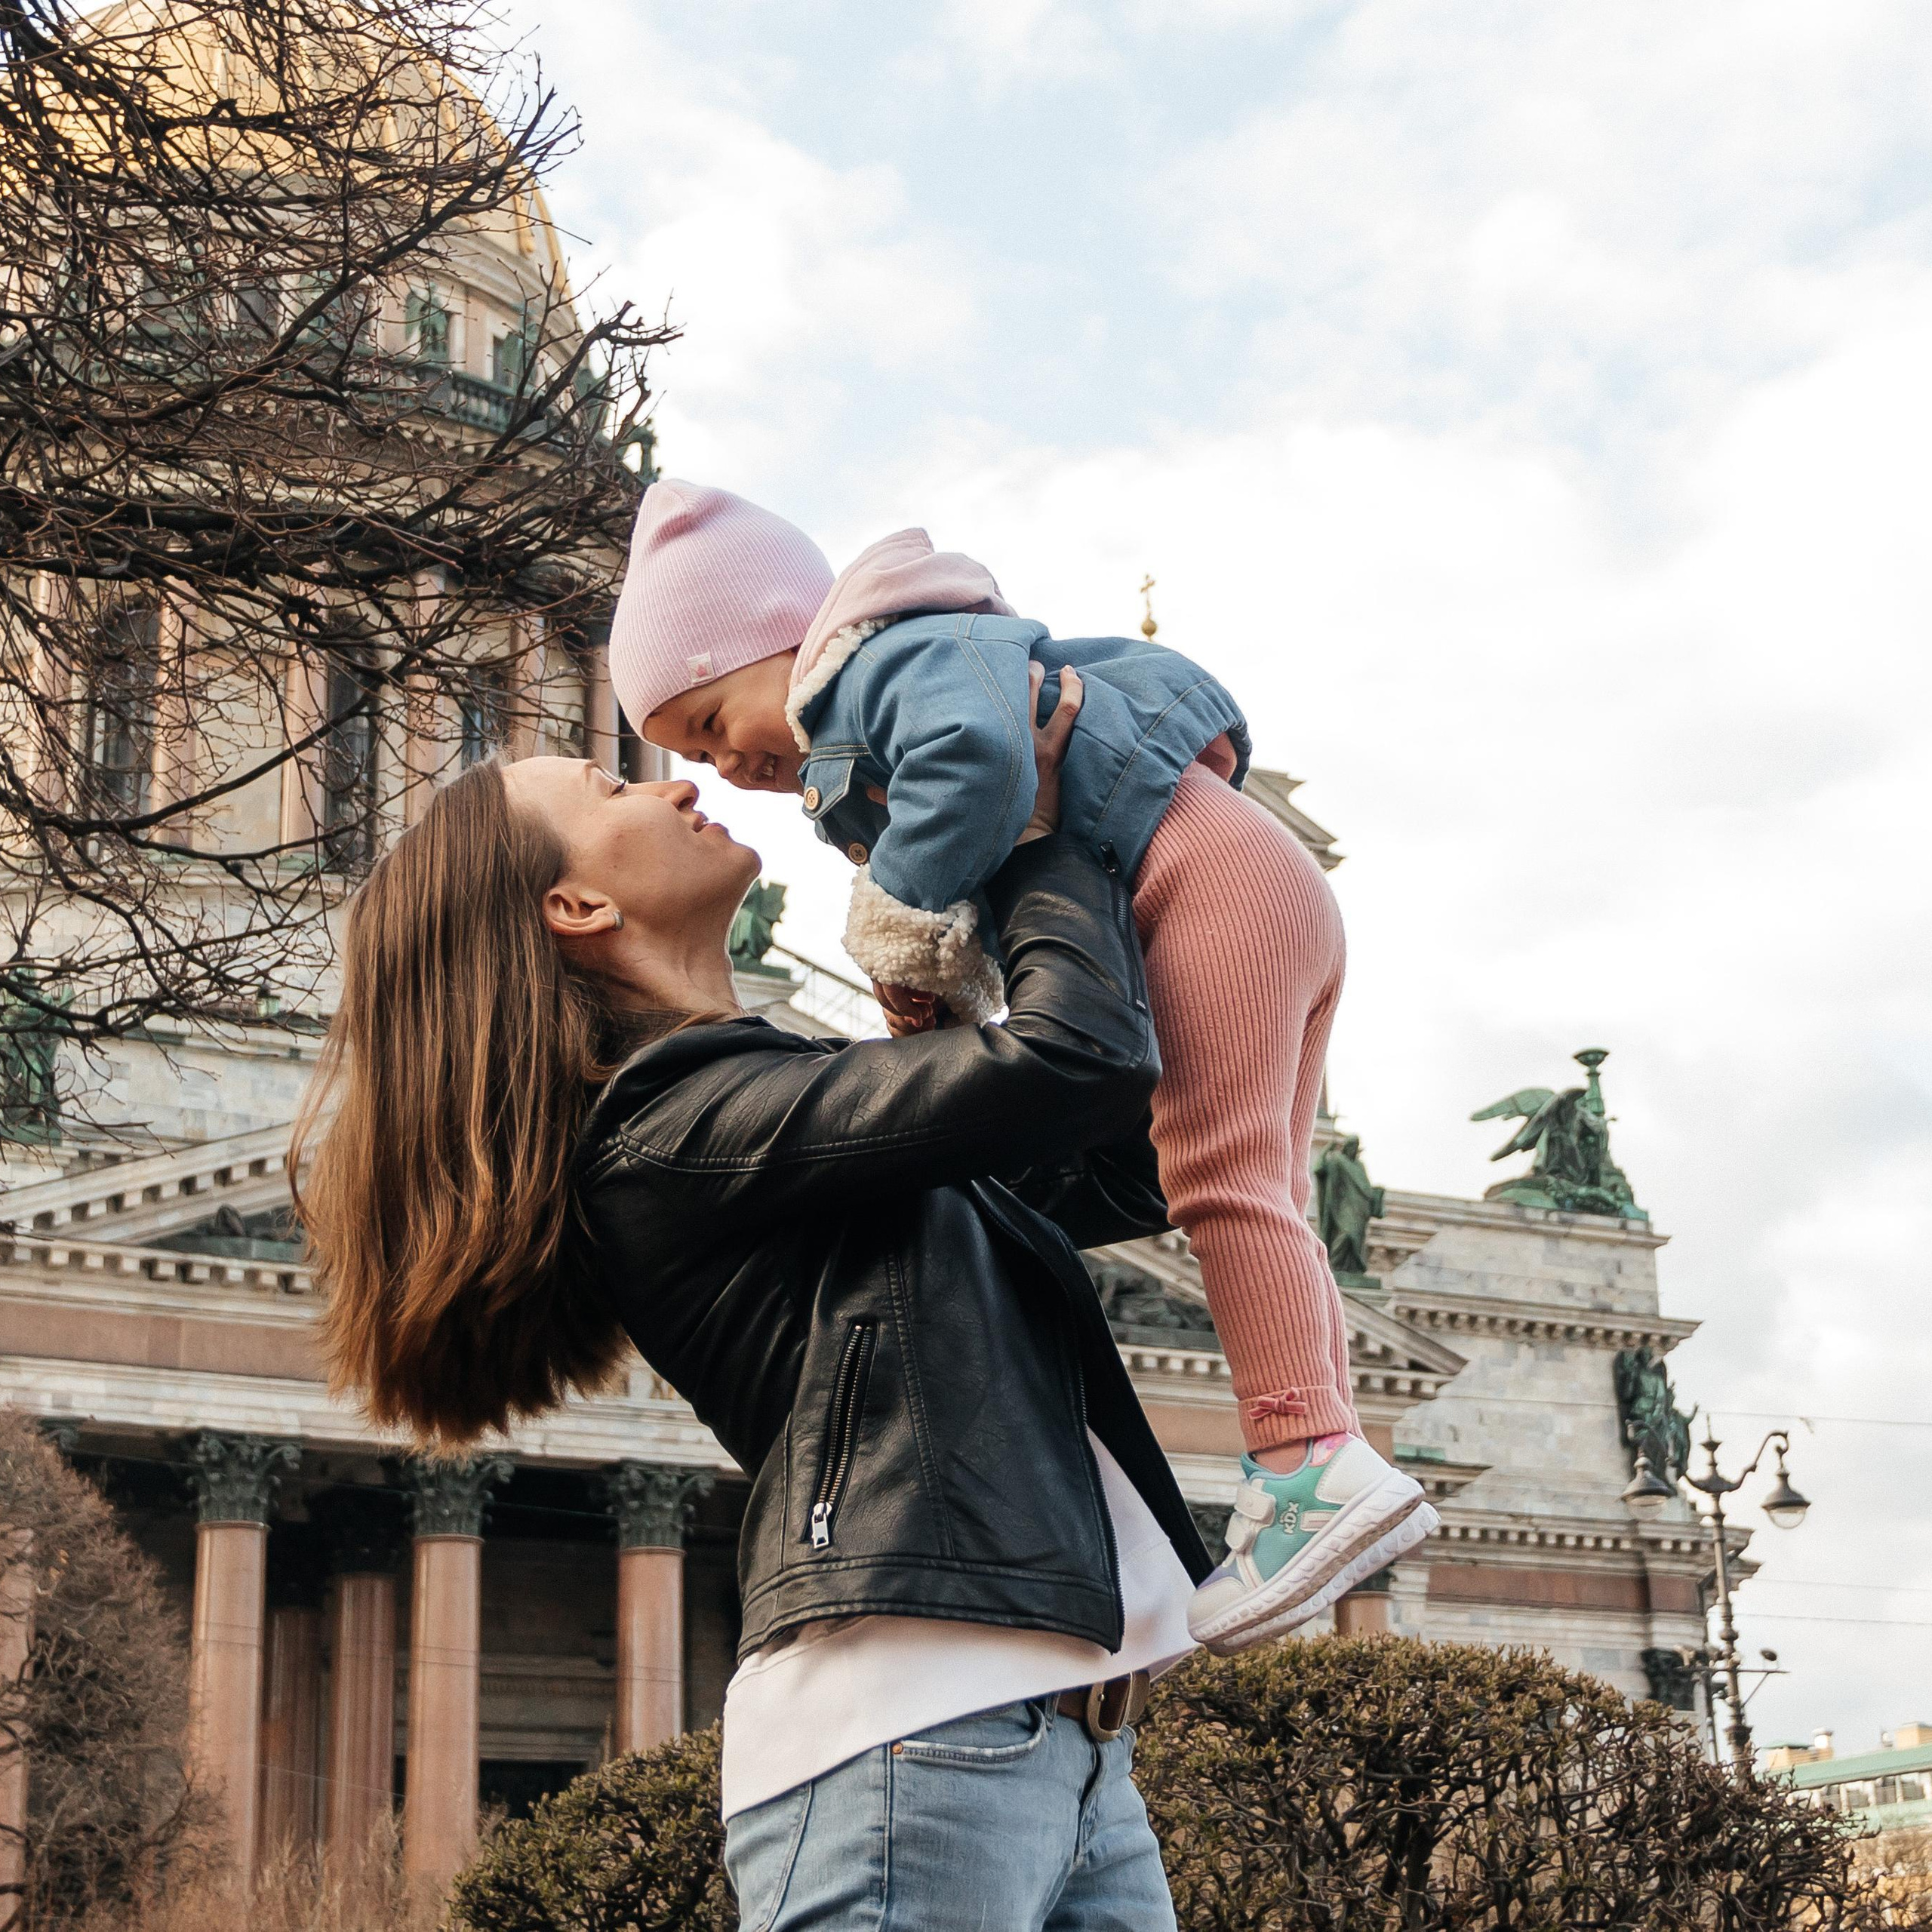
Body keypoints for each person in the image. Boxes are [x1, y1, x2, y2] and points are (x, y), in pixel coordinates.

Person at [294, 683, 1209, 1929]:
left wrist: (1179, 884)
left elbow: (1134, 1161)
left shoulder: (765, 1106)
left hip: (1065, 1749)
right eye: (613, 789)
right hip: (914, 1743)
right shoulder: (664, 1129)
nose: (677, 780)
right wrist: (1040, 831)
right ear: (576, 907)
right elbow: (1074, 1062)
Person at [607, 479, 1439, 1653]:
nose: (714, 769)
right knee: (1256, 1186)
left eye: (708, 724)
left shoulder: (887, 672)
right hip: (1237, 881)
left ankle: (1309, 1462)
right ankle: (1315, 1451)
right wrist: (948, 1017)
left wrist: (900, 909)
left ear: (780, 641)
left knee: (1226, 1181)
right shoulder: (918, 667)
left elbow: (985, 769)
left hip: (1199, 887)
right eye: (684, 751)